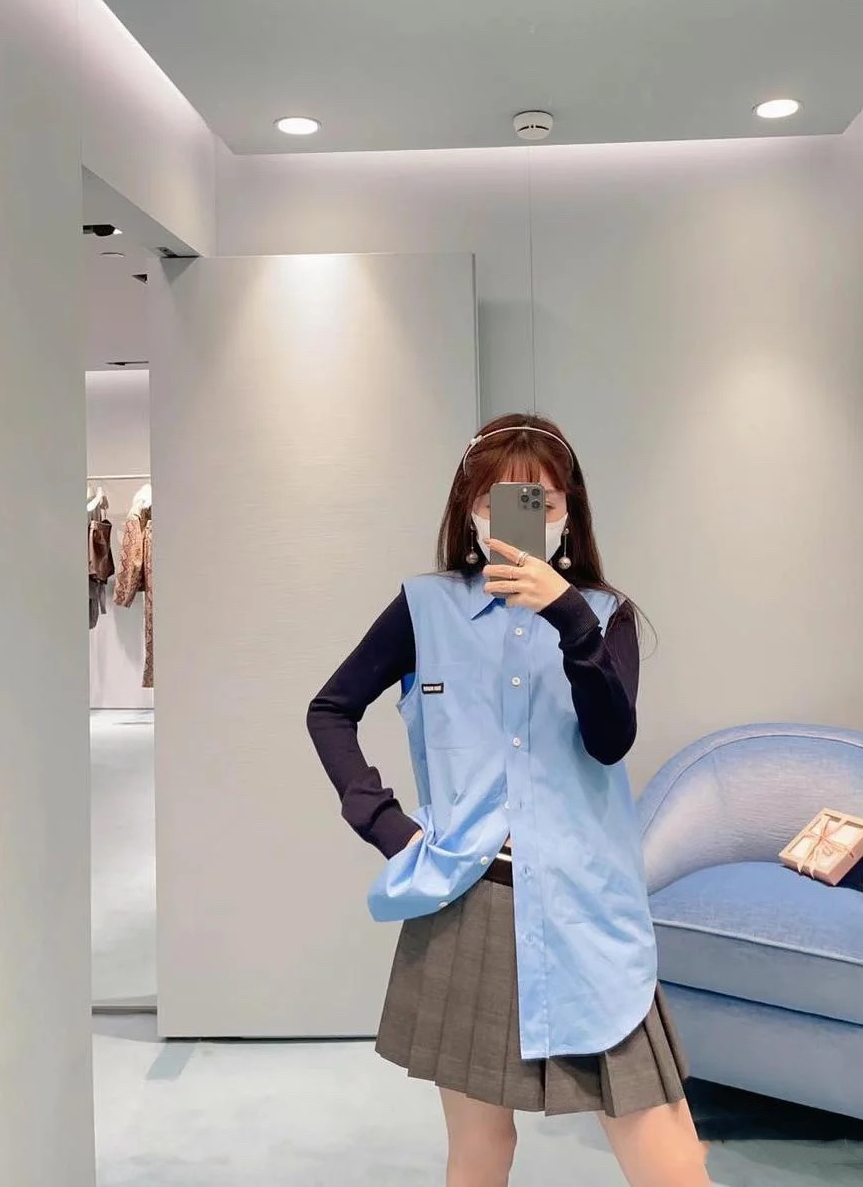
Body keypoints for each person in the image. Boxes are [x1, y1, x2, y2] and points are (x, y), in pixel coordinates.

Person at [308, 412, 712, 1187]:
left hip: (586, 912)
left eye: (541, 501)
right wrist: (388, 826)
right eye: (499, 500)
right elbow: (331, 710)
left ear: (568, 512)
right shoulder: (425, 609)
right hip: (467, 907)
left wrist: (567, 616)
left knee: (669, 1158)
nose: (520, 517)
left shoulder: (605, 618)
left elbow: (609, 741)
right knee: (479, 1151)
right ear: (470, 509)